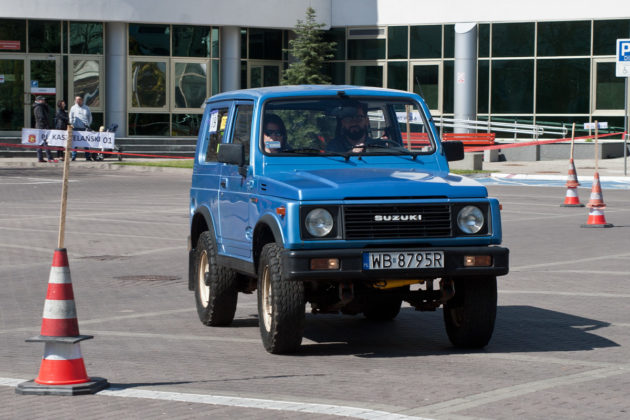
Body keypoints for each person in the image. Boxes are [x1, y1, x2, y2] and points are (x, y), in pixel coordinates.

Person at [68, 95, 93, 161]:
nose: (77, 101)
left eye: (79, 99)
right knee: (75, 143)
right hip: (76, 128)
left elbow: (90, 117)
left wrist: (88, 124)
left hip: (85, 128)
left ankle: (88, 157)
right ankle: (73, 157)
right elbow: (70, 116)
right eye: (76, 99)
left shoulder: (86, 108)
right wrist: (71, 123)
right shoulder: (73, 108)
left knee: (86, 143)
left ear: (82, 100)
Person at [33, 96, 55, 163]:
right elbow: (41, 117)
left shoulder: (41, 106)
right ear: (39, 100)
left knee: (41, 143)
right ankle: (49, 158)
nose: (44, 101)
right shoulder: (39, 107)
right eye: (43, 100)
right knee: (44, 142)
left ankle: (42, 158)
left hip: (41, 126)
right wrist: (45, 125)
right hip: (42, 127)